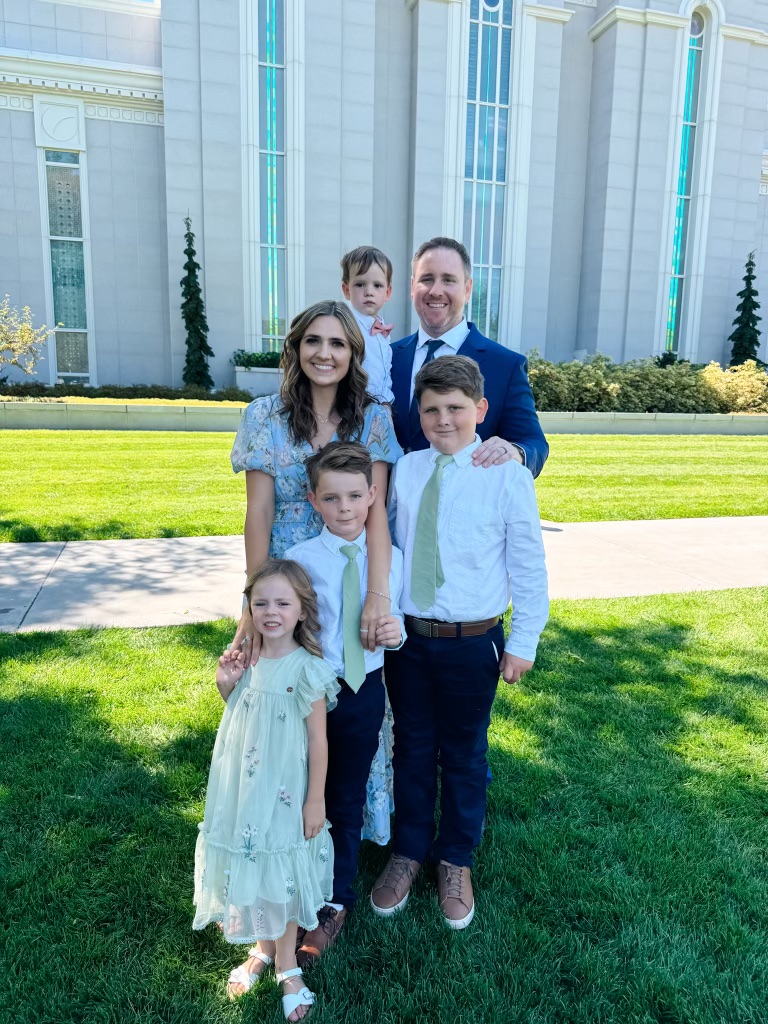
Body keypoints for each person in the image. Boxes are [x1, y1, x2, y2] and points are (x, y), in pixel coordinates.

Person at [371, 355, 549, 929]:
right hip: (410, 642)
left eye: (454, 408)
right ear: (417, 415)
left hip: (473, 641)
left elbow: (527, 564)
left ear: (481, 410)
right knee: (413, 749)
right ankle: (408, 852)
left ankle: (456, 859)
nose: (443, 419)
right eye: (431, 410)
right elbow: (395, 548)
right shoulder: (409, 470)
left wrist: (524, 640)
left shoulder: (506, 473)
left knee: (466, 755)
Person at [227, 299, 403, 844]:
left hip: (349, 574)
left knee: (352, 703)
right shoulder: (263, 417)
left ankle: (345, 829)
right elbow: (258, 513)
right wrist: (254, 606)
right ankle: (285, 825)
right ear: (295, 347)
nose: (324, 354)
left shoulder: (373, 417)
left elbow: (374, 511)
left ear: (354, 353)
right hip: (287, 582)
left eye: (338, 344)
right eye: (313, 341)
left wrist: (378, 595)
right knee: (287, 701)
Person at [193, 559, 340, 1020]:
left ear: (302, 610)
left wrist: (315, 798)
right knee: (250, 861)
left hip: (285, 792)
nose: (271, 611)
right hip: (243, 787)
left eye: (282, 603)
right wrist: (226, 683)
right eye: (261, 603)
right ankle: (260, 947)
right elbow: (237, 712)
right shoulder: (247, 660)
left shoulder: (308, 669)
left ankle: (287, 964)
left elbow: (318, 741)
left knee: (282, 865)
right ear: (249, 609)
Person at [285, 441, 406, 965]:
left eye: (355, 496)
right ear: (313, 500)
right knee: (298, 791)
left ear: (373, 495)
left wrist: (393, 634)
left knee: (347, 794)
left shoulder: (392, 561)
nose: (345, 508)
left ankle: (337, 899)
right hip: (313, 691)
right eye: (332, 498)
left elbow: (398, 628)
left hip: (364, 691)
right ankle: (291, 888)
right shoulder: (300, 562)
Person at [390, 236, 549, 476]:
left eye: (448, 280)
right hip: (390, 508)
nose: (436, 291)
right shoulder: (387, 358)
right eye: (427, 279)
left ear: (467, 288)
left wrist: (514, 451)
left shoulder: (505, 365)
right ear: (413, 287)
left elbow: (533, 443)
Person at [341, 245, 396, 406]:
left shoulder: (381, 328)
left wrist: (386, 404)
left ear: (387, 292)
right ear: (346, 289)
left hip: (380, 408)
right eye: (360, 284)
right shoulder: (346, 325)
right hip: (353, 406)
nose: (369, 292)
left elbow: (384, 372)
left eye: (377, 285)